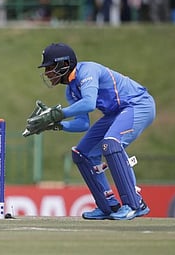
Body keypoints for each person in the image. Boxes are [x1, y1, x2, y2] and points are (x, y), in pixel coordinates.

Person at [24, 42, 155, 220]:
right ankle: (108, 206)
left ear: (64, 65)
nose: (47, 73)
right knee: (81, 153)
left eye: (50, 68)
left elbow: (89, 103)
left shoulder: (88, 71)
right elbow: (82, 123)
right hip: (116, 112)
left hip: (138, 104)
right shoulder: (71, 90)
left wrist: (57, 114)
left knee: (111, 143)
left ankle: (135, 203)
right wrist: (57, 125)